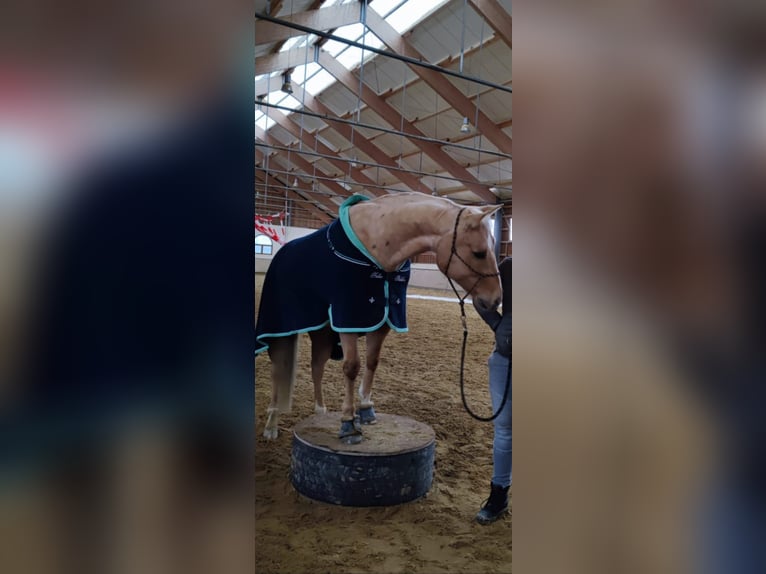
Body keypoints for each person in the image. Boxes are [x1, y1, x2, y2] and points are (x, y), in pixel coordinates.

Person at [475, 255, 512, 525]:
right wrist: (497, 325)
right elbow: (480, 296)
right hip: (506, 359)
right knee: (504, 430)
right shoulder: (508, 268)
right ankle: (499, 494)